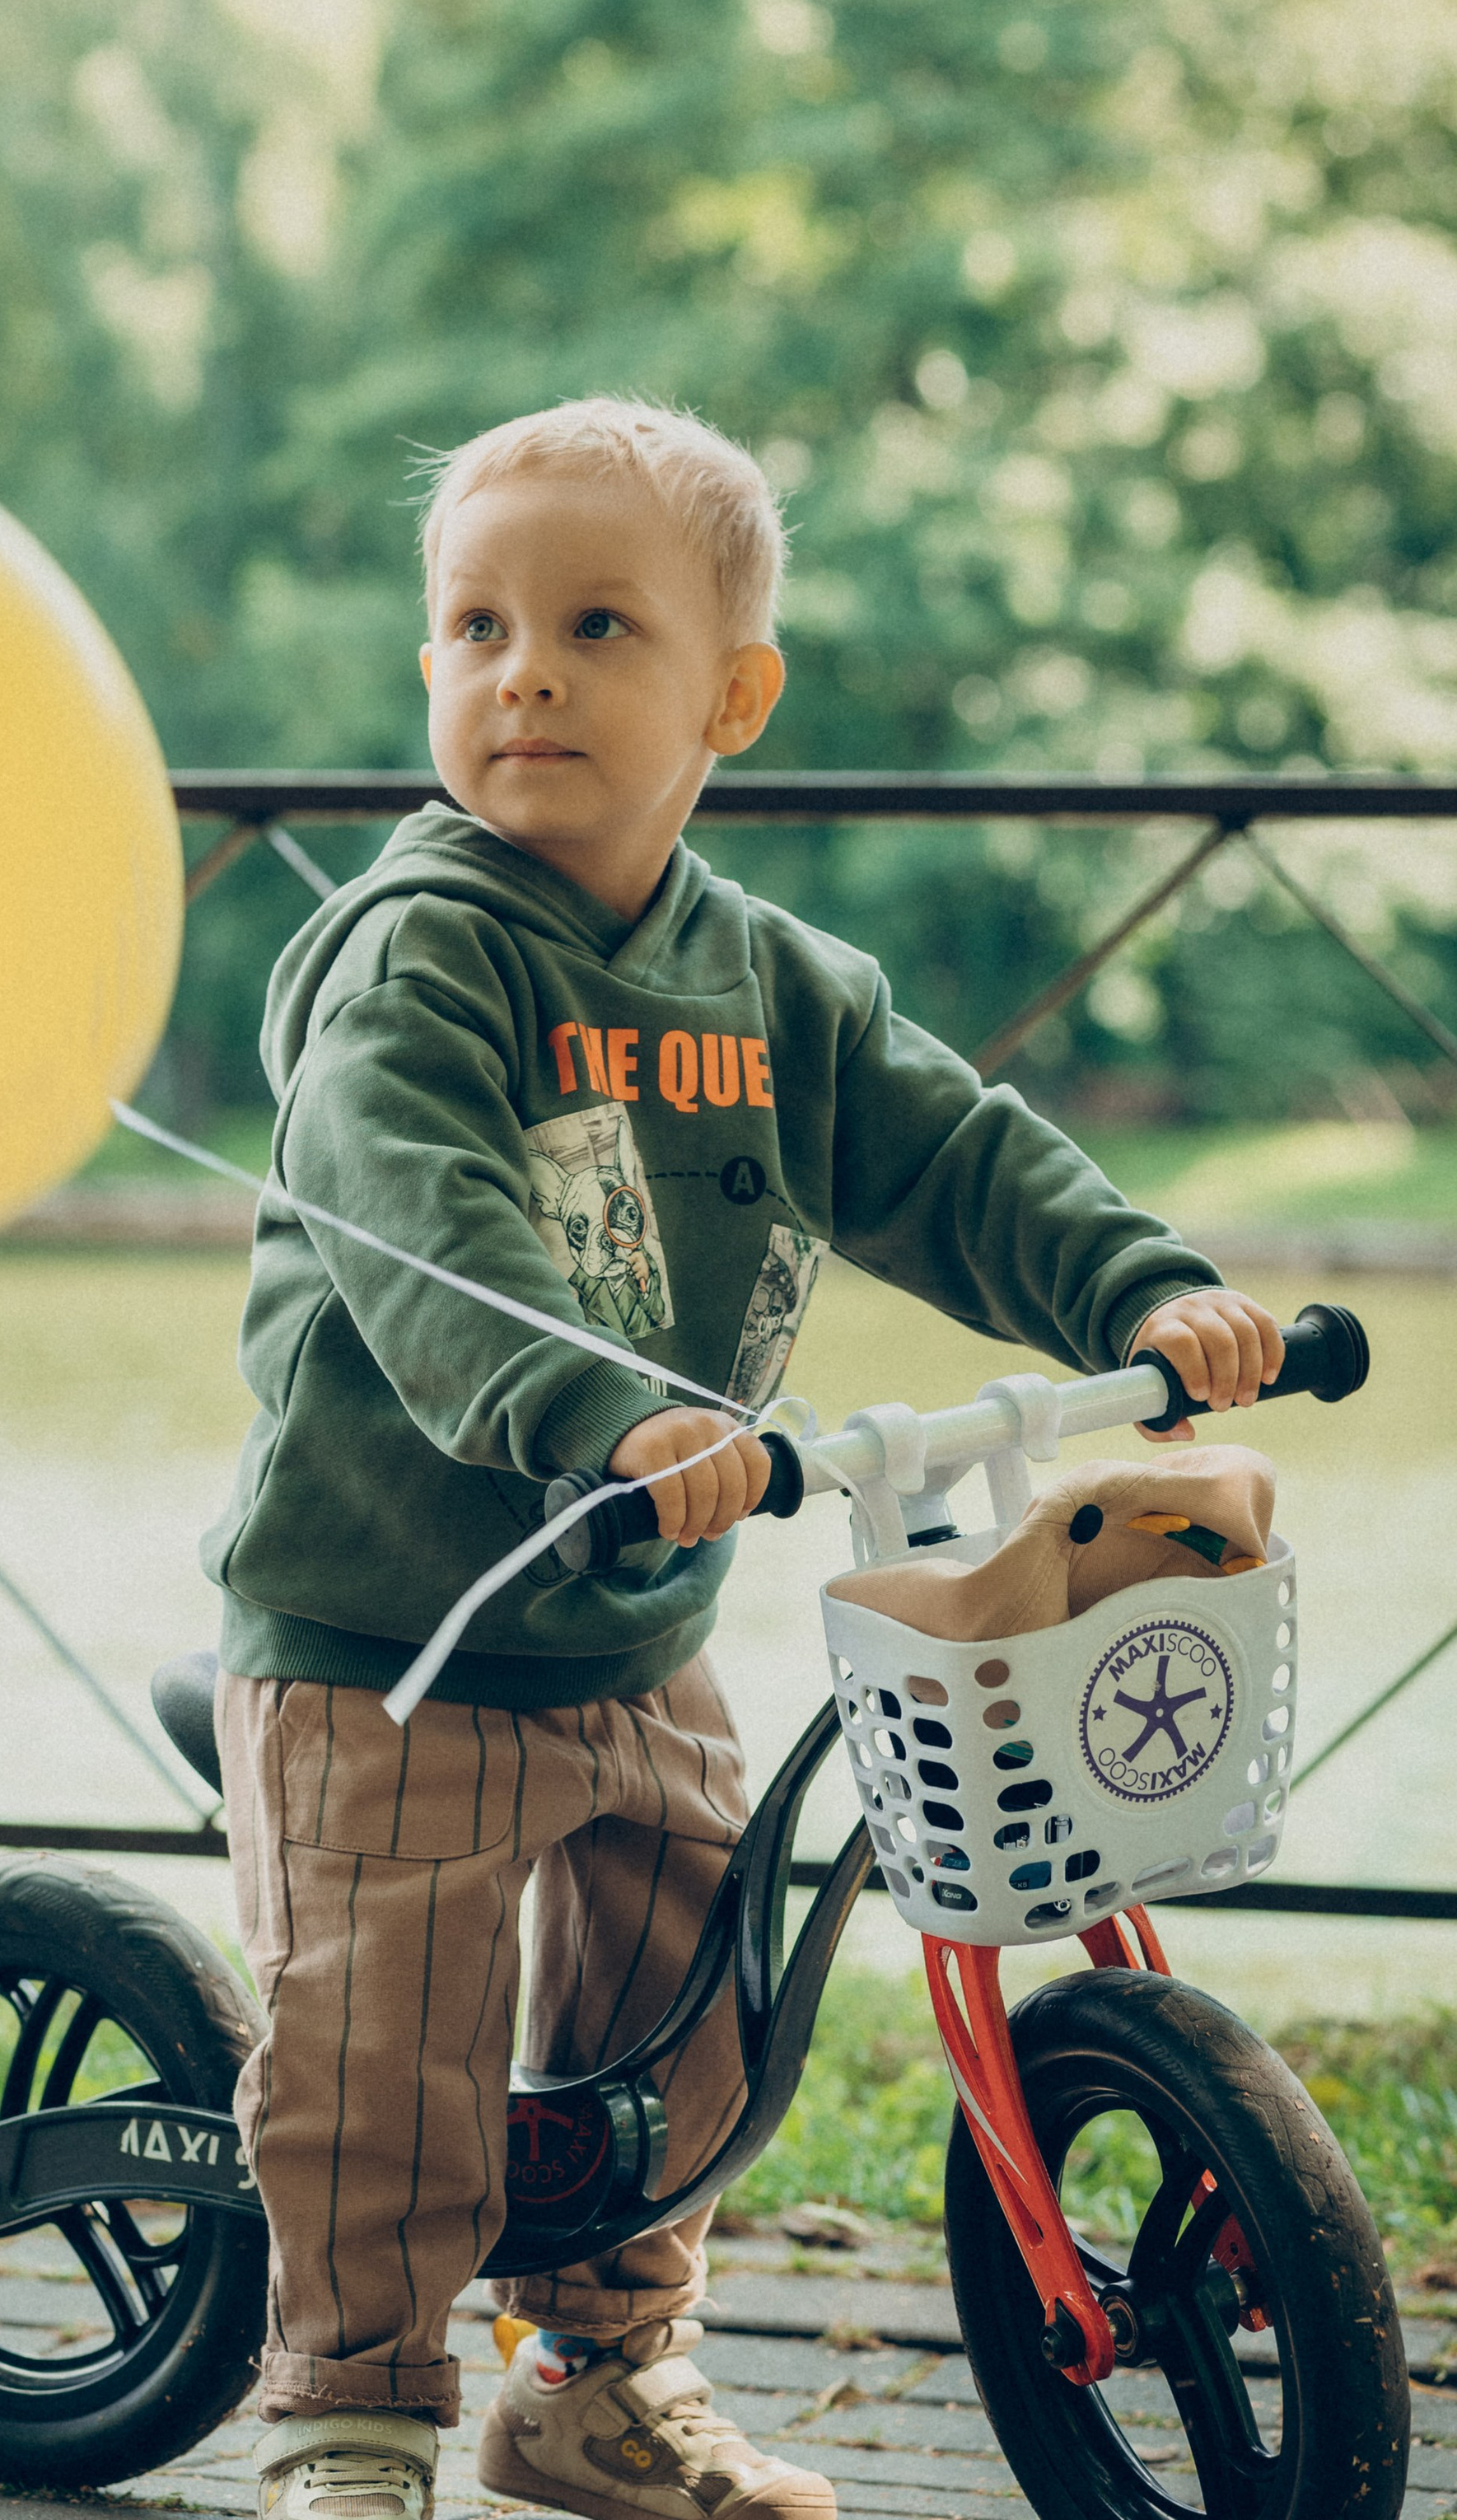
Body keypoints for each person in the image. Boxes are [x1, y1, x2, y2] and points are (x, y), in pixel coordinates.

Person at [203, 398, 1280, 2520]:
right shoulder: (414, 957)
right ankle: (351, 2409)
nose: (523, 670)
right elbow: (426, 1216)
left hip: (639, 1622)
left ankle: (596, 2381)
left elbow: (956, 1158)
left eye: (597, 625)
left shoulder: (773, 985)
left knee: (688, 2031)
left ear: (733, 696)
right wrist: (600, 1412)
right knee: (387, 2061)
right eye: (475, 626)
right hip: (387, 1626)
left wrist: (1137, 1293)